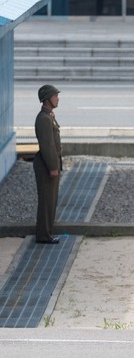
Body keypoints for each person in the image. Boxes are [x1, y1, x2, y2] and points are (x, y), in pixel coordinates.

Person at [33, 85, 62, 244]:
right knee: (46, 202)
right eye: (55, 95)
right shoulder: (44, 118)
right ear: (46, 99)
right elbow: (47, 146)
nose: (57, 98)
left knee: (50, 201)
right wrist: (53, 167)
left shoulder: (48, 116)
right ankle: (44, 235)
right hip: (46, 166)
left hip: (49, 165)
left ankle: (47, 233)